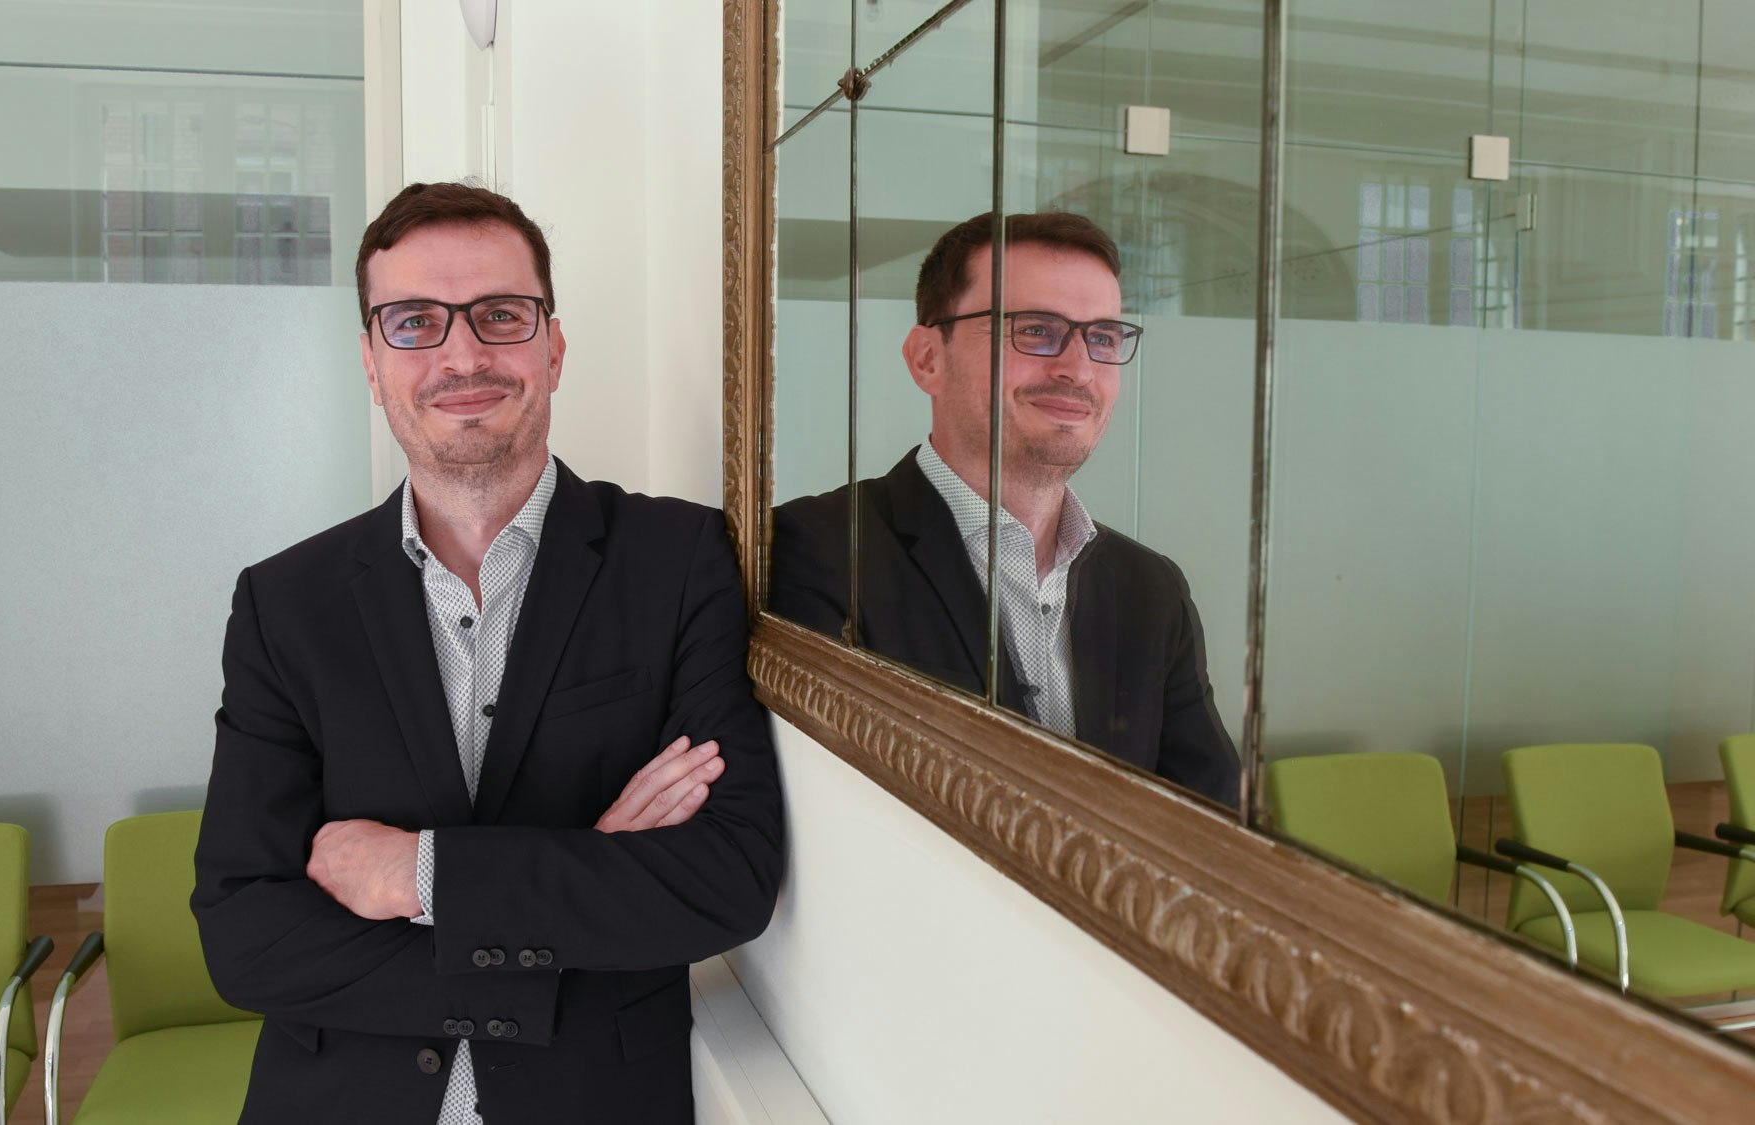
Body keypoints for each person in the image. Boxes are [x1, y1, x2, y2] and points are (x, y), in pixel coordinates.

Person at [192, 182, 785, 1124]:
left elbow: (727, 879)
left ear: (552, 346)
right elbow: (244, 935)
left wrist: (420, 877)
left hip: (597, 1096)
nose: (462, 354)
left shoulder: (676, 560)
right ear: (372, 361)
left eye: (500, 315)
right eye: (415, 321)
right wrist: (578, 879)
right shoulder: (285, 603)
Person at [770, 211, 1241, 808]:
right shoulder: (817, 552)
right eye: (1036, 330)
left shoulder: (1152, 587)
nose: (1077, 369)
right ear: (927, 359)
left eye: (1103, 337)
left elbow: (1208, 814)